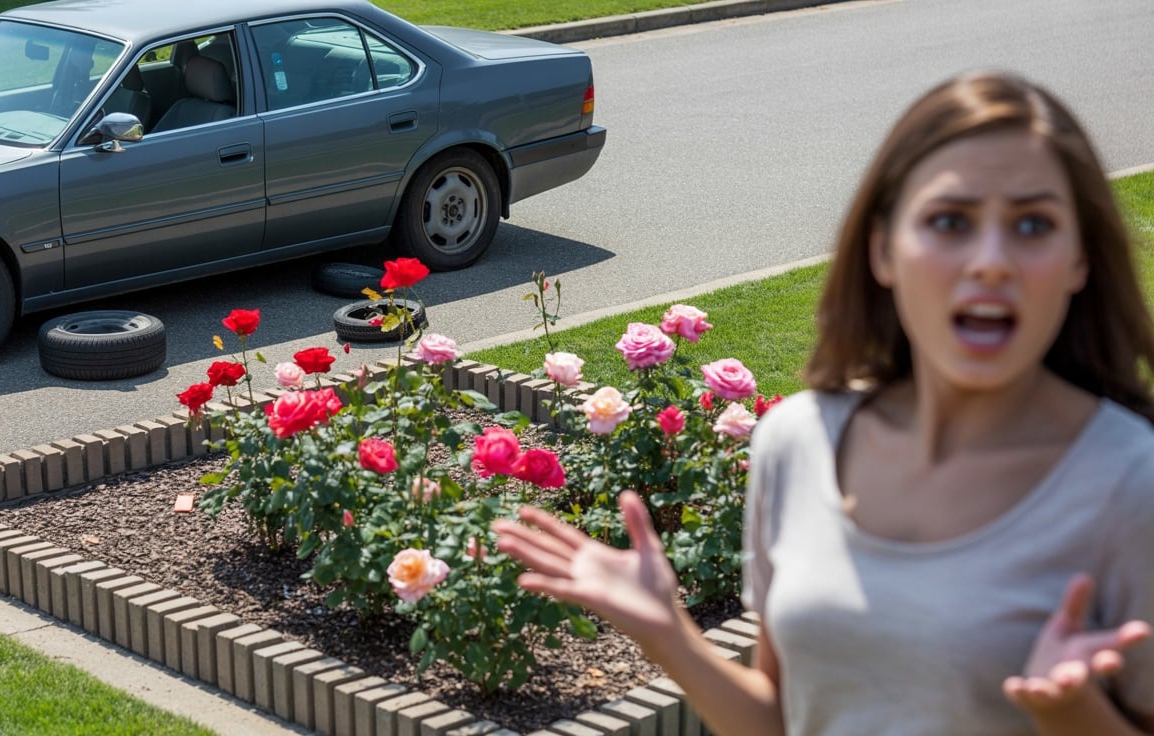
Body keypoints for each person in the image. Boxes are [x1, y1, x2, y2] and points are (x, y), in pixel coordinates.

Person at [492, 70, 1154, 735]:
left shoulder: (1131, 484)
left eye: (1033, 224)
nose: (990, 261)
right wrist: (668, 634)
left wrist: (1074, 714)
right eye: (950, 221)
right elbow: (782, 718)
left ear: (1080, 259)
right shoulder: (799, 440)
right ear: (882, 250)